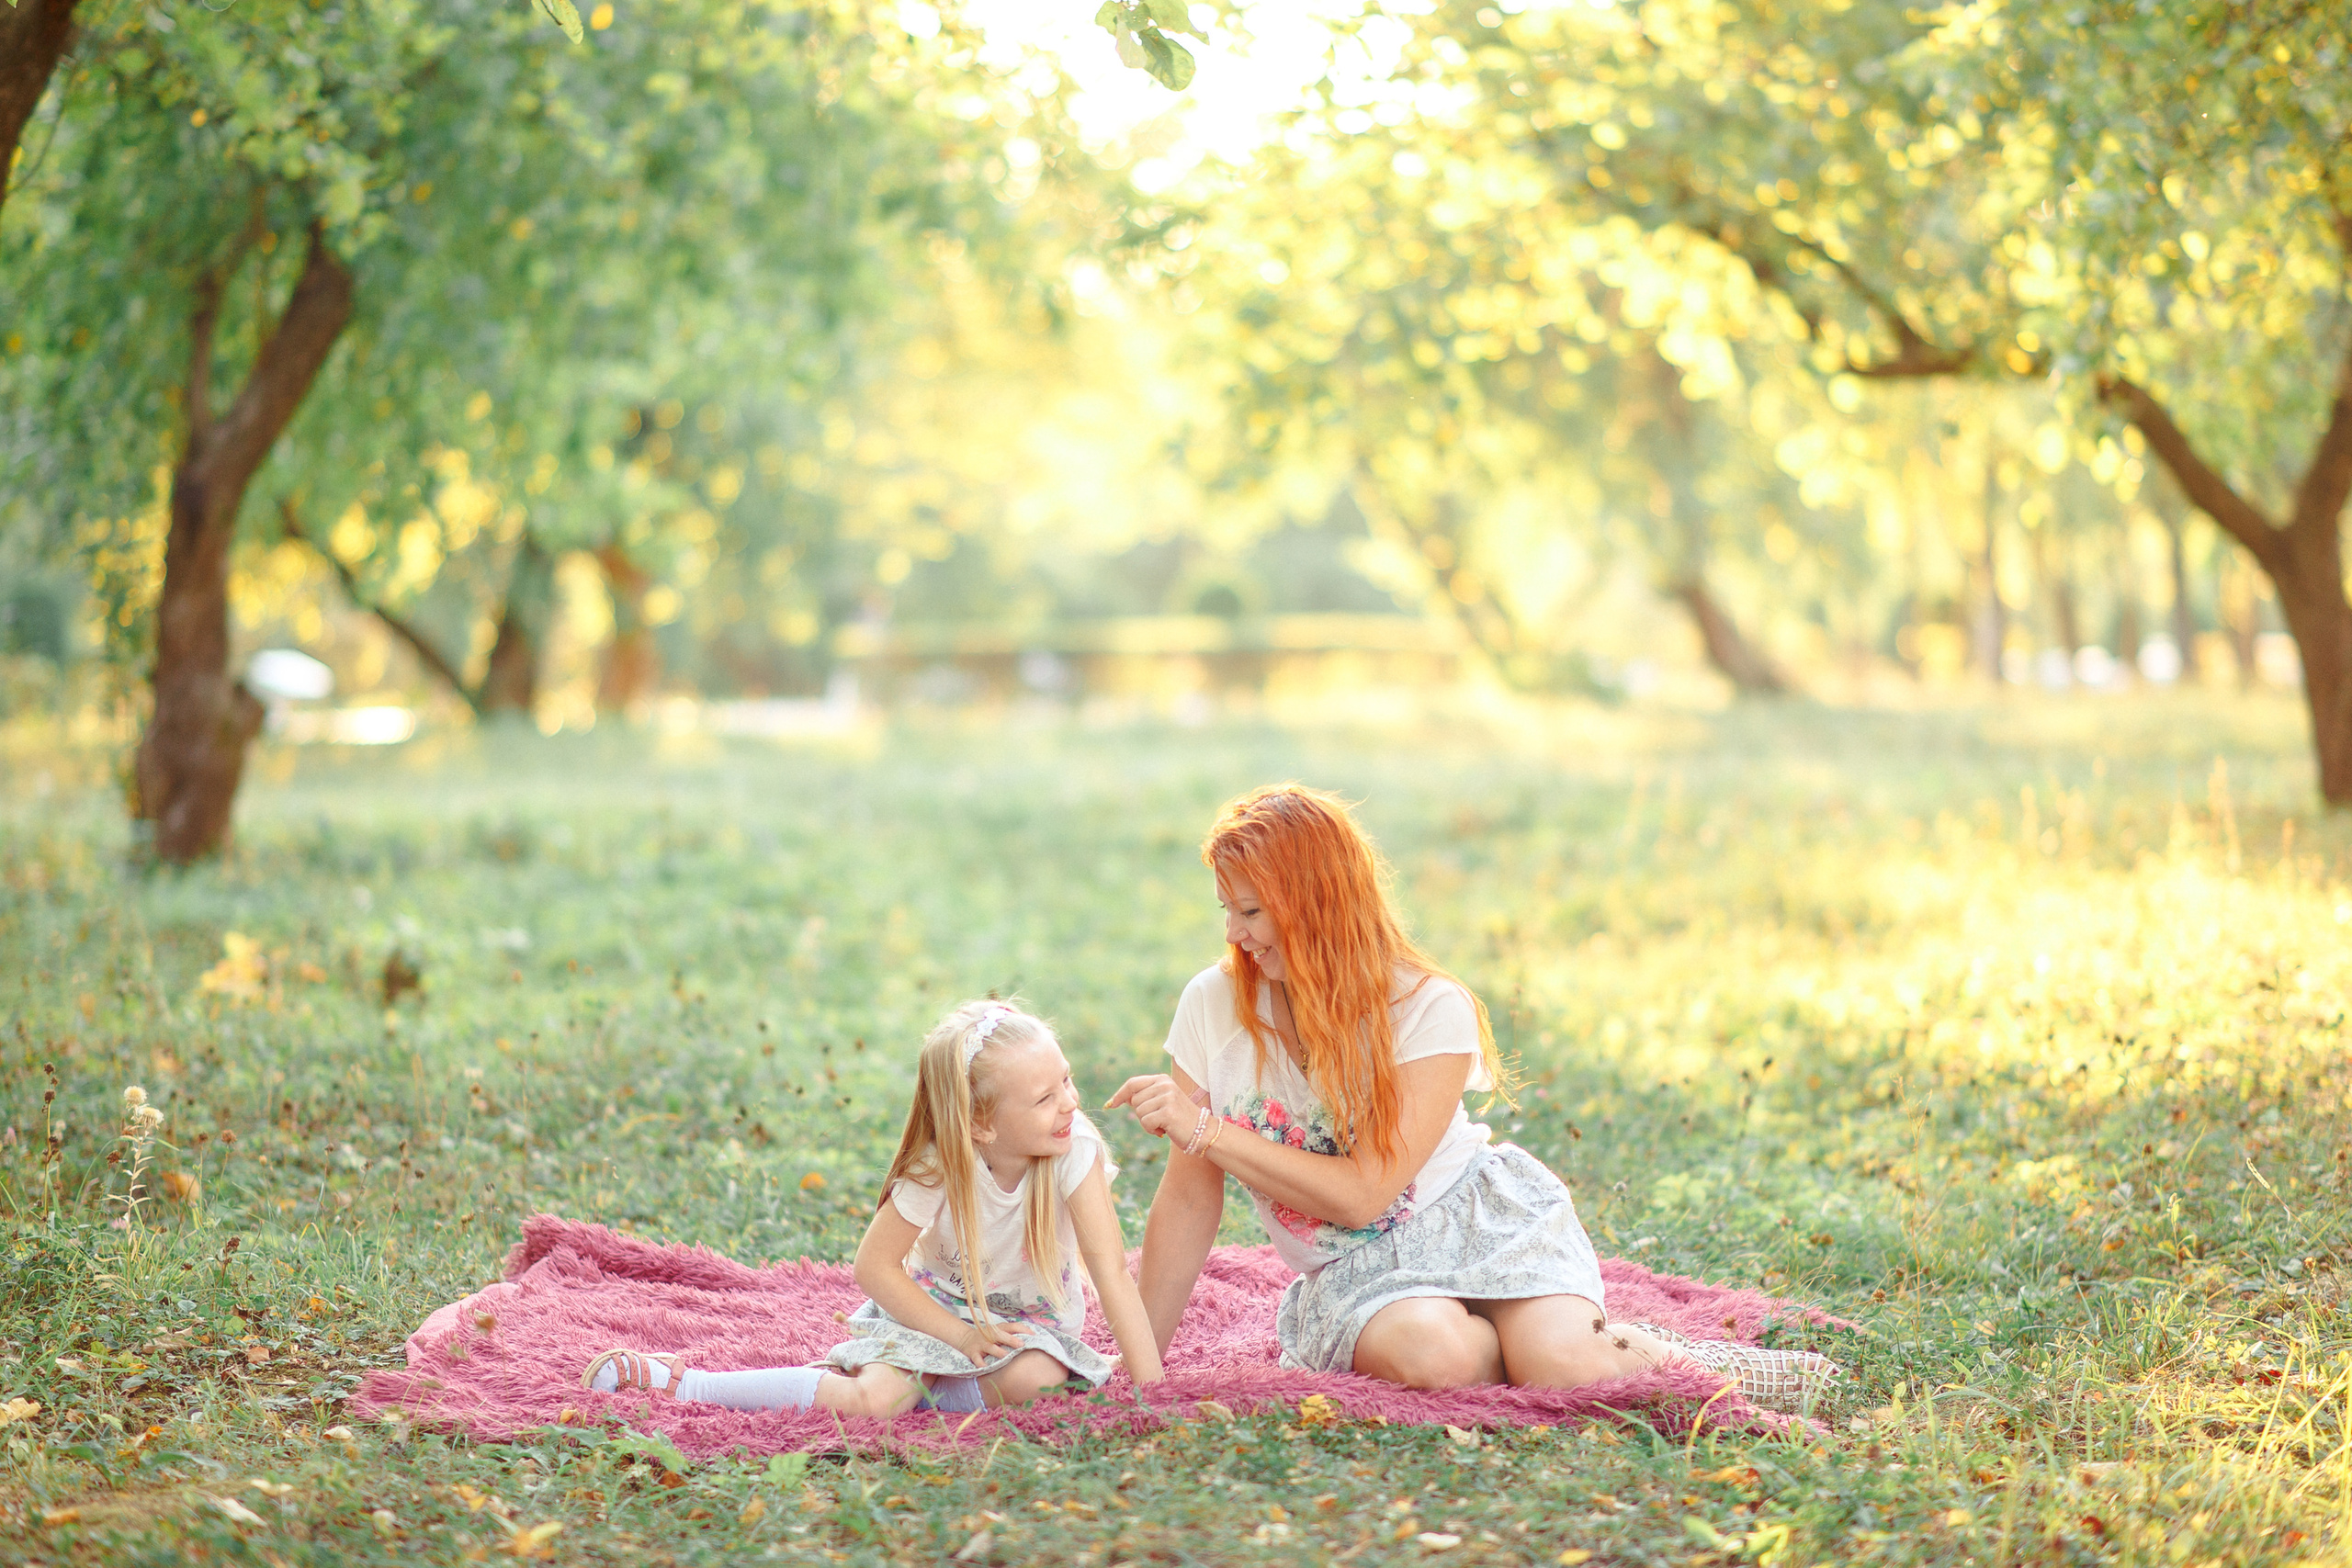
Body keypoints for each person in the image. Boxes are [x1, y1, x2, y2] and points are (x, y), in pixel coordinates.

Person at [1109, 785, 1836, 1412]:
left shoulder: (1429, 1006)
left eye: (1252, 911)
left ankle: (1654, 1358)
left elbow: (1364, 1193)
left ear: (1317, 903)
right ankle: (1537, 1345)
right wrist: (1138, 1368)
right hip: (1358, 1269)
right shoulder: (1213, 1003)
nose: (1234, 935)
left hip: (1478, 1220)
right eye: (1227, 910)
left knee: (1565, 1367)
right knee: (1434, 1355)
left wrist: (1206, 1128)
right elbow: (1189, 1195)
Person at [583, 998, 1164, 1415]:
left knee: (1039, 1379)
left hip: (1026, 1327)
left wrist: (1153, 1392)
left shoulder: (1073, 1150)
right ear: (980, 1125)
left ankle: (917, 1393)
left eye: (1066, 1080)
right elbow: (875, 1266)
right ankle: (689, 1384)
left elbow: (1110, 1271)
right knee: (874, 1402)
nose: (1070, 1102)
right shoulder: (942, 1166)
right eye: (1045, 1097)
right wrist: (960, 1341)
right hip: (935, 1314)